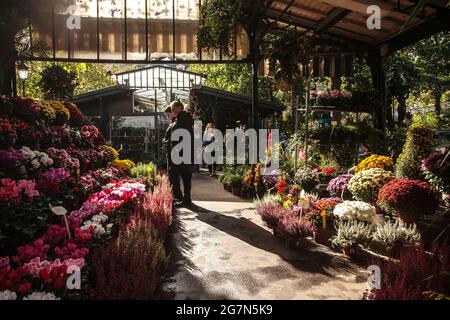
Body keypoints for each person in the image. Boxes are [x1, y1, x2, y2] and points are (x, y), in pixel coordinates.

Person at [170, 100, 194, 207]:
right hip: (183, 151)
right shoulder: (182, 118)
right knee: (185, 175)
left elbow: (180, 135)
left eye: (173, 108)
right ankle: (186, 199)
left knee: (185, 175)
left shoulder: (183, 118)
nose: (172, 110)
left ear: (179, 107)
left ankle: (186, 199)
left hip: (183, 152)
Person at [163, 106, 183, 203]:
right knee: (172, 174)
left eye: (168, 115)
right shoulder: (173, 123)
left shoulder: (176, 123)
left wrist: (167, 141)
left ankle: (177, 195)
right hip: (171, 151)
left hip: (173, 152)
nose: (168, 117)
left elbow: (177, 137)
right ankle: (176, 195)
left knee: (173, 174)